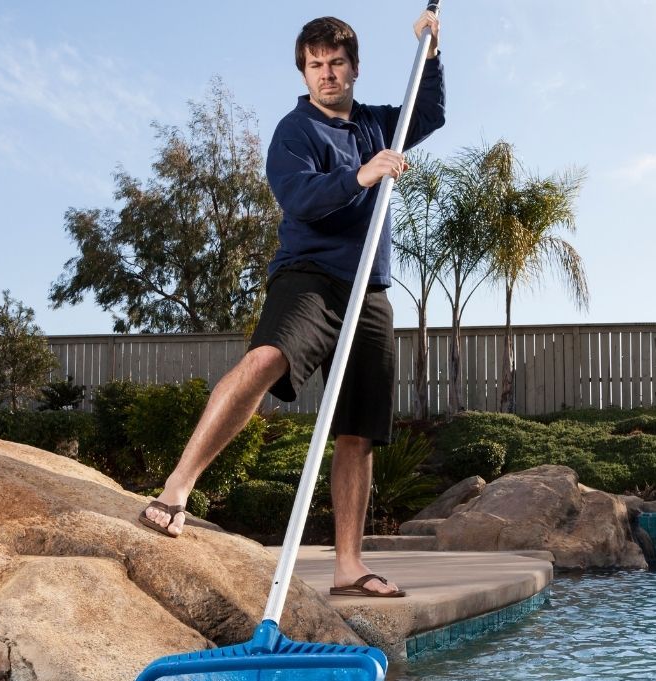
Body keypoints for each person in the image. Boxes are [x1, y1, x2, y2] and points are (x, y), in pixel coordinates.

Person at [139, 11, 445, 599]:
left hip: (370, 289)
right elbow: (299, 197)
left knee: (357, 431)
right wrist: (360, 177)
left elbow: (427, 113)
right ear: (304, 72)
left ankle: (349, 567)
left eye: (336, 63)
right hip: (310, 276)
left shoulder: (381, 124)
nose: (327, 74)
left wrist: (431, 53)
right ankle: (177, 488)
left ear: (354, 68)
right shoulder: (294, 130)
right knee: (262, 361)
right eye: (315, 65)